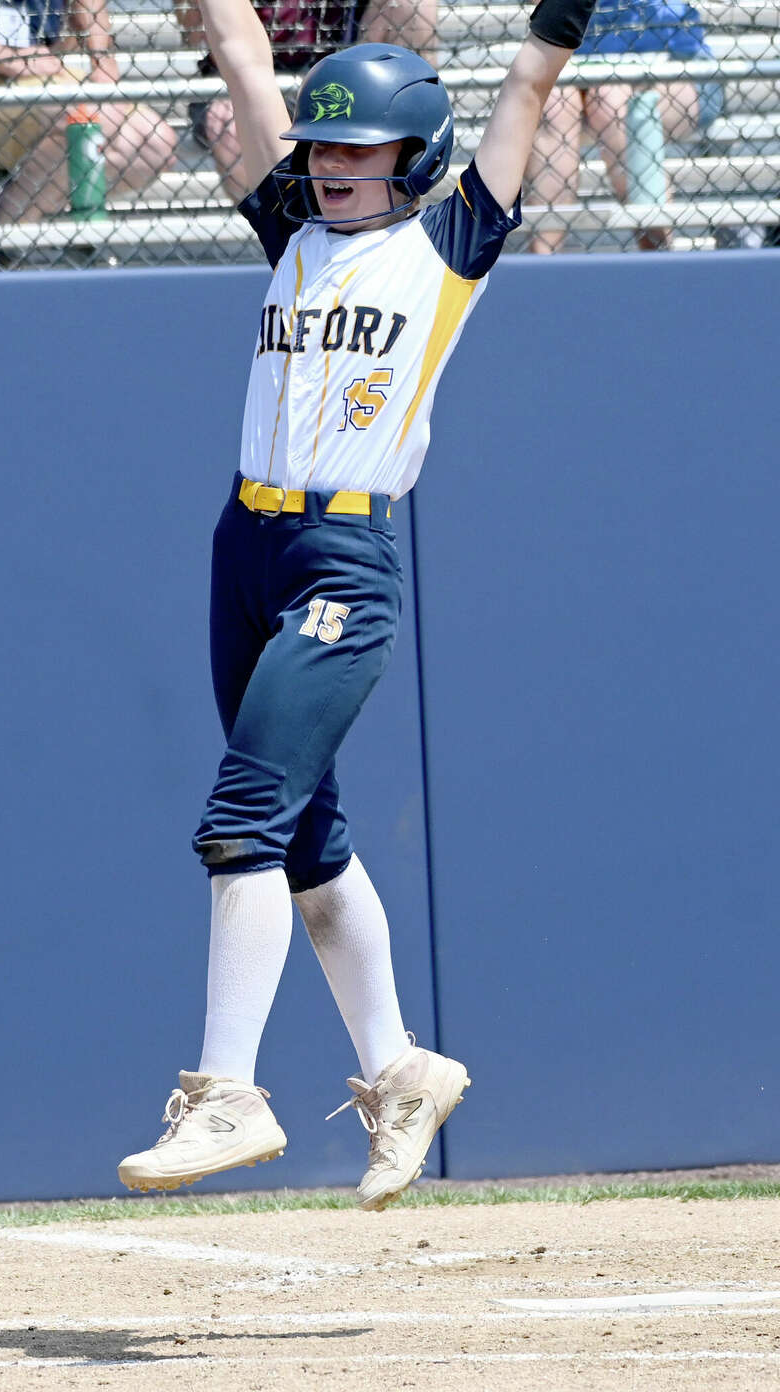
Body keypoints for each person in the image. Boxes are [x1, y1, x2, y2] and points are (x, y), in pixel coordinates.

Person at [117, 0, 601, 1209]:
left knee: (243, 820)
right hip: (247, 546)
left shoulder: (444, 250)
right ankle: (398, 1072)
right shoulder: (292, 224)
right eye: (323, 145)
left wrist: (556, 25)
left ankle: (227, 1090)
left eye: (359, 149)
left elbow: (527, 93)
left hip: (342, 556)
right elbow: (237, 52)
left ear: (412, 160)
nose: (331, 166)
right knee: (311, 850)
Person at [0, 0, 176, 222]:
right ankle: (4, 242)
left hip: (39, 64)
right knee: (86, 117)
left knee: (154, 146)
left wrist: (102, 61)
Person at [180, 0, 438, 203]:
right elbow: (196, 35)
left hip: (340, 83)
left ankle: (414, 161)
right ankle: (270, 221)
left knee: (414, 3)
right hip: (260, 84)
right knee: (228, 120)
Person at [525, 0, 712, 251]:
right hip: (572, 66)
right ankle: (542, 265)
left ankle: (658, 251)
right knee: (555, 103)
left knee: (610, 99)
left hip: (669, 63)